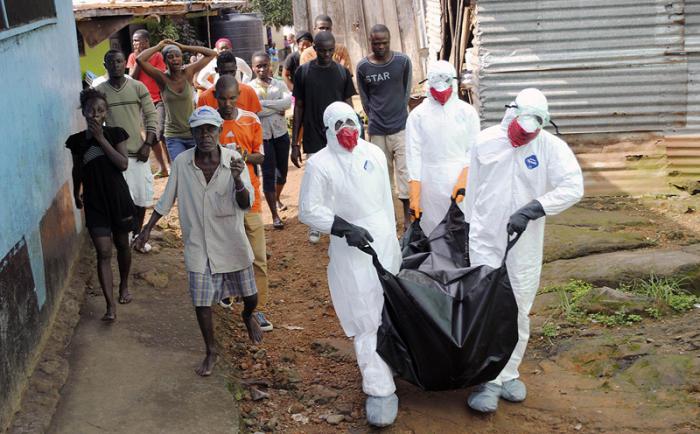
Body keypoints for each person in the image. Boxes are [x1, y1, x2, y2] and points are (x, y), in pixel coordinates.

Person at [465, 88, 584, 413]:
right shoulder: (486, 140)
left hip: (524, 243)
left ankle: (508, 371)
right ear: (511, 114)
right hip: (485, 239)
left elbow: (574, 186)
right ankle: (487, 378)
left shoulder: (551, 147)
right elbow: (473, 189)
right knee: (487, 307)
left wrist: (535, 208)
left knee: (517, 307)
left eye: (530, 134)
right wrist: (467, 227)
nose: (522, 138)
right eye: (519, 130)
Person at [133, 106, 263, 377]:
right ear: (192, 133)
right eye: (200, 130)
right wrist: (147, 228)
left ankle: (247, 314)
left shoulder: (234, 160)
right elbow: (167, 197)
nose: (205, 135)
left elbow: (246, 202)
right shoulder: (182, 162)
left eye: (210, 129)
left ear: (218, 131)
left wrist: (238, 178)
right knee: (202, 303)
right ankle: (210, 350)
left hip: (230, 240)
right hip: (198, 244)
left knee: (251, 297)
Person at [299, 102, 401, 427]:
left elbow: (385, 199)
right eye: (339, 122)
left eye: (352, 120)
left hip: (384, 240)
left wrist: (393, 237)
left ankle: (398, 365)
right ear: (328, 128)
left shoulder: (373, 153)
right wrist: (344, 227)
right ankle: (380, 389)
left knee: (391, 307)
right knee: (365, 315)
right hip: (350, 248)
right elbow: (308, 210)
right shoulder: (319, 164)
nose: (347, 127)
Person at [66, 88, 135, 321]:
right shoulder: (76, 142)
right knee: (103, 252)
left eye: (100, 110)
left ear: (106, 113)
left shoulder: (116, 134)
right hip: (95, 203)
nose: (96, 114)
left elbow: (123, 164)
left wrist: (100, 139)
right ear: (84, 112)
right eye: (91, 110)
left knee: (122, 245)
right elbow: (77, 169)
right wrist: (76, 192)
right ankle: (110, 306)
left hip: (118, 199)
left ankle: (124, 285)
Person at [214, 75, 273, 332]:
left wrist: (244, 155)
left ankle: (258, 309)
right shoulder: (210, 122)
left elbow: (261, 156)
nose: (228, 103)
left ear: (238, 95)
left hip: (250, 198)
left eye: (232, 98)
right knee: (227, 252)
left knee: (258, 255)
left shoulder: (251, 119)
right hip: (220, 199)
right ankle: (229, 293)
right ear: (216, 97)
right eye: (223, 99)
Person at [292, 31, 356, 243]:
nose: (327, 54)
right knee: (315, 180)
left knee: (342, 177)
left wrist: (357, 134)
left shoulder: (341, 73)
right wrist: (295, 142)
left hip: (339, 136)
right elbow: (299, 107)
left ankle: (342, 219)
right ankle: (315, 225)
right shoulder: (303, 72)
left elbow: (349, 107)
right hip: (313, 133)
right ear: (315, 49)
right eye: (322, 50)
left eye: (330, 50)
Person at [404, 60, 480, 236]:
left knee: (462, 230)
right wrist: (415, 189)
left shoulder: (467, 112)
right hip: (430, 182)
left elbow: (474, 149)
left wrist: (465, 176)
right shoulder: (418, 116)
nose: (442, 95)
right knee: (434, 231)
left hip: (461, 181)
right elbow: (413, 154)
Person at [96, 50, 158, 254]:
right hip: (114, 158)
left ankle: (136, 236)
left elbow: (151, 116)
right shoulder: (99, 90)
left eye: (120, 61)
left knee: (141, 201)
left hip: (138, 154)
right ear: (104, 65)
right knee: (120, 202)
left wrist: (148, 144)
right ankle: (125, 238)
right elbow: (95, 119)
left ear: (126, 63)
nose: (116, 65)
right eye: (111, 62)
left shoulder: (137, 86)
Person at [356, 24, 413, 230]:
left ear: (390, 41)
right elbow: (364, 99)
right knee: (382, 176)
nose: (380, 46)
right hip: (378, 131)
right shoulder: (363, 67)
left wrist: (398, 112)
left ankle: (407, 219)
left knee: (405, 174)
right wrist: (375, 118)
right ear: (370, 42)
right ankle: (389, 218)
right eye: (376, 43)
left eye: (384, 42)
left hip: (401, 128)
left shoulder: (403, 62)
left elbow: (406, 91)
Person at [136, 39, 217, 161]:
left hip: (193, 133)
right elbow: (140, 59)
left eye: (178, 56)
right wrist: (159, 46)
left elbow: (211, 53)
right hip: (174, 136)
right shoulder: (162, 78)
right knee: (181, 169)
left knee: (199, 169)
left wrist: (183, 46)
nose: (175, 59)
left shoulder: (188, 72)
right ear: (165, 61)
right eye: (170, 57)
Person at [250, 51, 292, 229]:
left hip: (281, 134)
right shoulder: (249, 88)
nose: (262, 69)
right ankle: (275, 215)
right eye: (258, 66)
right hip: (262, 137)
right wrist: (276, 107)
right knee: (268, 175)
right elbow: (254, 111)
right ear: (253, 68)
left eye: (265, 65)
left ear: (270, 66)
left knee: (282, 173)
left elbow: (288, 104)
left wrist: (264, 105)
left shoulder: (280, 84)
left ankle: (276, 198)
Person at [127, 29, 171, 177]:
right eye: (133, 40)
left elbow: (158, 75)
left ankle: (171, 166)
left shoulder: (157, 56)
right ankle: (162, 168)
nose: (134, 43)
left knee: (161, 133)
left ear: (146, 42)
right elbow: (132, 77)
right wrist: (139, 59)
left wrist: (143, 59)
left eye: (137, 40)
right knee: (151, 137)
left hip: (159, 100)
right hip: (143, 102)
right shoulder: (133, 57)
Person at [197, 51, 262, 114]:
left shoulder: (248, 92)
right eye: (224, 72)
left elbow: (254, 120)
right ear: (217, 70)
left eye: (231, 71)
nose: (228, 75)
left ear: (236, 69)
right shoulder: (205, 98)